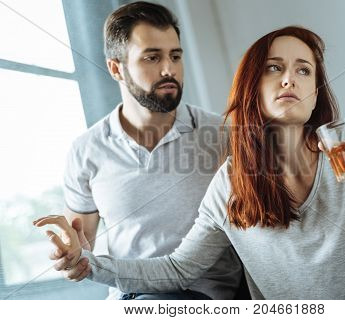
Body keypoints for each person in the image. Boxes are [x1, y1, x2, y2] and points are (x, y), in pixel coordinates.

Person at [35, 26, 345, 299]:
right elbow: (178, 268)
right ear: (252, 87)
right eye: (275, 68)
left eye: (303, 70)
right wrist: (87, 262)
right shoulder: (230, 182)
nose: (290, 79)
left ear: (315, 91)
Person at [38, 1, 242, 300]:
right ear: (115, 68)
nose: (168, 69)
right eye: (151, 57)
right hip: (131, 297)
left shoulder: (222, 136)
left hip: (207, 297)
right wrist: (69, 257)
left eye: (175, 56)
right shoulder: (86, 150)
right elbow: (81, 248)